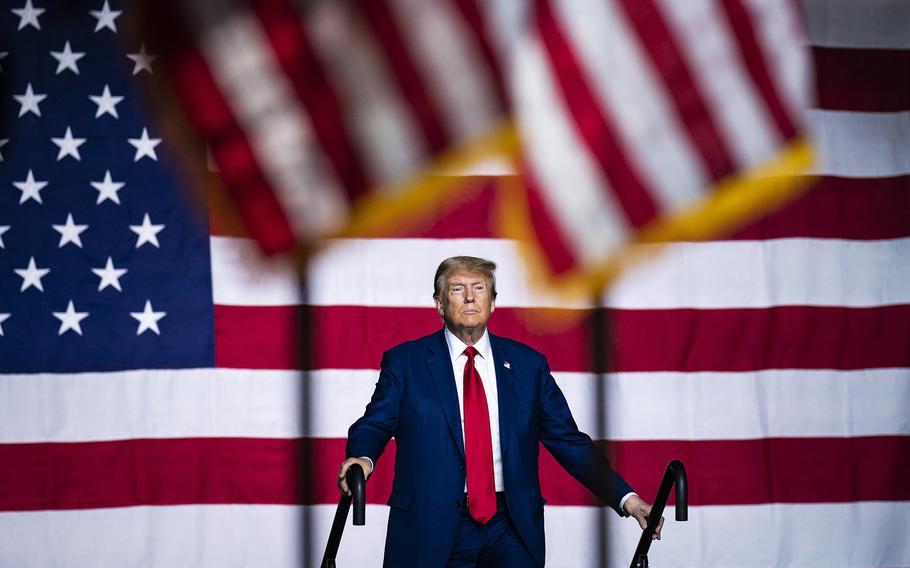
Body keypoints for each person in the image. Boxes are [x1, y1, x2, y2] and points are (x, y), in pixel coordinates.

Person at [338, 256, 662, 567]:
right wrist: (362, 458)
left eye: (479, 288)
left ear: (493, 302)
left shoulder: (528, 365)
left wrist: (627, 499)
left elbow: (568, 441)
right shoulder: (405, 363)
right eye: (456, 289)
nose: (468, 297)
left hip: (511, 524)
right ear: (439, 304)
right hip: (431, 523)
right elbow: (375, 424)